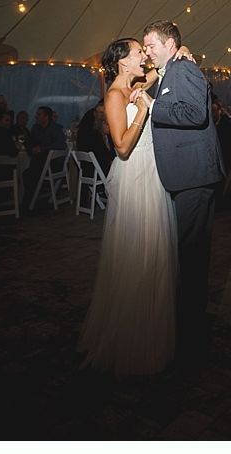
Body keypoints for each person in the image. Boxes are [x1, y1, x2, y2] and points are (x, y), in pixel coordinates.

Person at [78, 38, 177, 376]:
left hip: (152, 172)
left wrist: (175, 56)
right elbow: (120, 146)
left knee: (155, 253)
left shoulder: (136, 83)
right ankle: (132, 341)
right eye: (138, 52)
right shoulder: (115, 96)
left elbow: (155, 73)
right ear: (122, 61)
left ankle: (153, 334)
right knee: (137, 252)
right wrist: (144, 112)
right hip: (134, 174)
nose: (143, 56)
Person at [143, 20, 226, 360]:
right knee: (186, 254)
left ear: (169, 44)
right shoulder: (171, 70)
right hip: (185, 176)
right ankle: (188, 325)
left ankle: (192, 335)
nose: (147, 52)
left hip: (194, 176)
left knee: (192, 256)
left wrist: (152, 107)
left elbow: (194, 113)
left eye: (150, 46)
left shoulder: (184, 70)